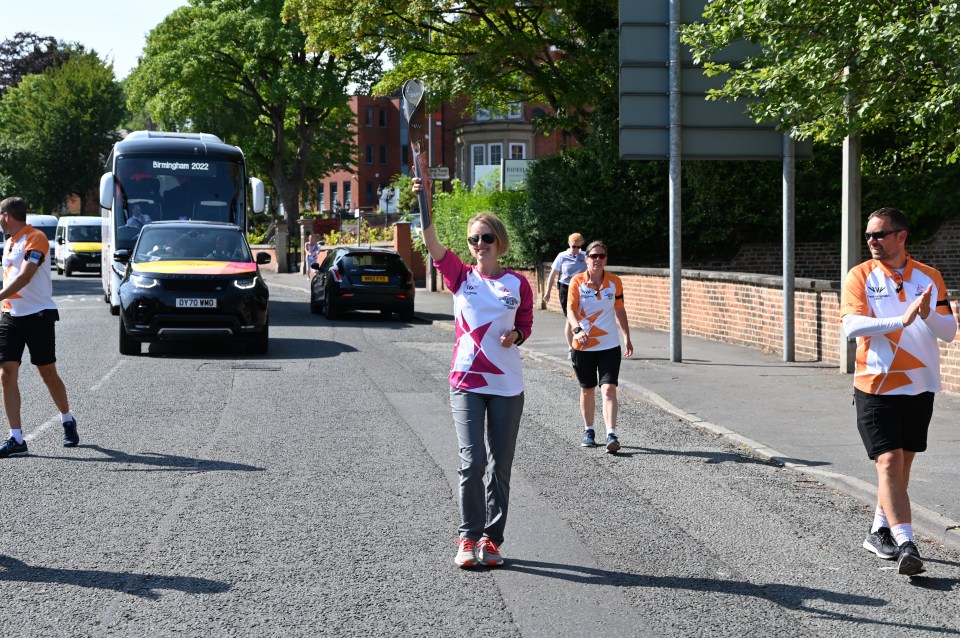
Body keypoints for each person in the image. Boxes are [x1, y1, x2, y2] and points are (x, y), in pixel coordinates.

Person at [413, 177, 533, 569]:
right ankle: (467, 537)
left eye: (485, 238)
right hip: (466, 382)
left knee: (500, 465)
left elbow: (526, 322)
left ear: (499, 241)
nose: (478, 245)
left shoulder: (518, 283)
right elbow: (431, 241)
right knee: (473, 461)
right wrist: (423, 197)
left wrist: (517, 334)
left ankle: (492, 540)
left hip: (507, 385)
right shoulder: (460, 276)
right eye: (472, 240)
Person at [840, 207, 957, 577]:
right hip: (875, 384)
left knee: (901, 466)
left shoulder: (929, 276)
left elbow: (948, 331)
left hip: (920, 385)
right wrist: (901, 318)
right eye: (869, 236)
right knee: (888, 463)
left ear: (901, 236)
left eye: (879, 235)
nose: (872, 241)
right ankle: (907, 543)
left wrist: (925, 315)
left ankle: (878, 530)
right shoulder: (859, 275)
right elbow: (851, 327)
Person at [0, 197, 79, 457]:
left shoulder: (36, 238)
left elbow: (26, 275)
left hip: (38, 316)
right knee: (6, 373)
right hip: (11, 316)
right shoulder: (10, 242)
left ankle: (67, 419)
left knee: (47, 373)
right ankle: (17, 439)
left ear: (7, 216)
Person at [567, 240, 634, 453]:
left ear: (606, 259)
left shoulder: (614, 282)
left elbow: (620, 310)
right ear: (586, 259)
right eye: (593, 256)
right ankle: (589, 430)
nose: (597, 259)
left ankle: (611, 433)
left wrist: (627, 337)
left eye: (601, 256)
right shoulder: (577, 282)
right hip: (583, 345)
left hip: (609, 346)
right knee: (587, 390)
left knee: (608, 388)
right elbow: (570, 311)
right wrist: (578, 330)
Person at [542, 233, 587, 359]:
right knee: (570, 318)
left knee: (582, 317)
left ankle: (582, 345)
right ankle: (571, 348)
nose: (576, 250)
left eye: (579, 247)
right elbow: (553, 274)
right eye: (574, 247)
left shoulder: (584, 256)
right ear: (569, 244)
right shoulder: (562, 256)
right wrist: (547, 292)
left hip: (581, 288)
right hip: (566, 288)